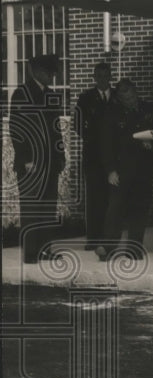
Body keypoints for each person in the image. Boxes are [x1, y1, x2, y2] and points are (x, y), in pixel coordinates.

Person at [9, 54, 65, 264]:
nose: (52, 77)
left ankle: (45, 250)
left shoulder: (50, 95)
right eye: (49, 73)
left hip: (50, 162)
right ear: (37, 72)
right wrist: (26, 159)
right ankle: (31, 253)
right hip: (31, 164)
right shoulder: (21, 94)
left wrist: (60, 156)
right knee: (32, 207)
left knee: (48, 207)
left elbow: (56, 128)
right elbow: (16, 129)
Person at [95, 79, 153, 260]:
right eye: (126, 99)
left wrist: (152, 144)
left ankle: (134, 249)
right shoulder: (112, 114)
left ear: (136, 91)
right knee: (115, 209)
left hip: (144, 169)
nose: (130, 101)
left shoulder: (148, 109)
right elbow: (106, 144)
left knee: (140, 210)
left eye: (132, 96)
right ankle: (107, 249)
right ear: (120, 99)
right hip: (121, 169)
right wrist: (110, 170)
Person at [74, 62, 114, 251]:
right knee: (94, 199)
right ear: (94, 77)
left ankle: (109, 238)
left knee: (111, 199)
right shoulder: (85, 98)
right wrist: (91, 139)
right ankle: (93, 238)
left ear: (110, 76)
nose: (102, 79)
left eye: (105, 75)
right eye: (99, 75)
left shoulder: (117, 97)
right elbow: (77, 123)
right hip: (93, 156)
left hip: (114, 158)